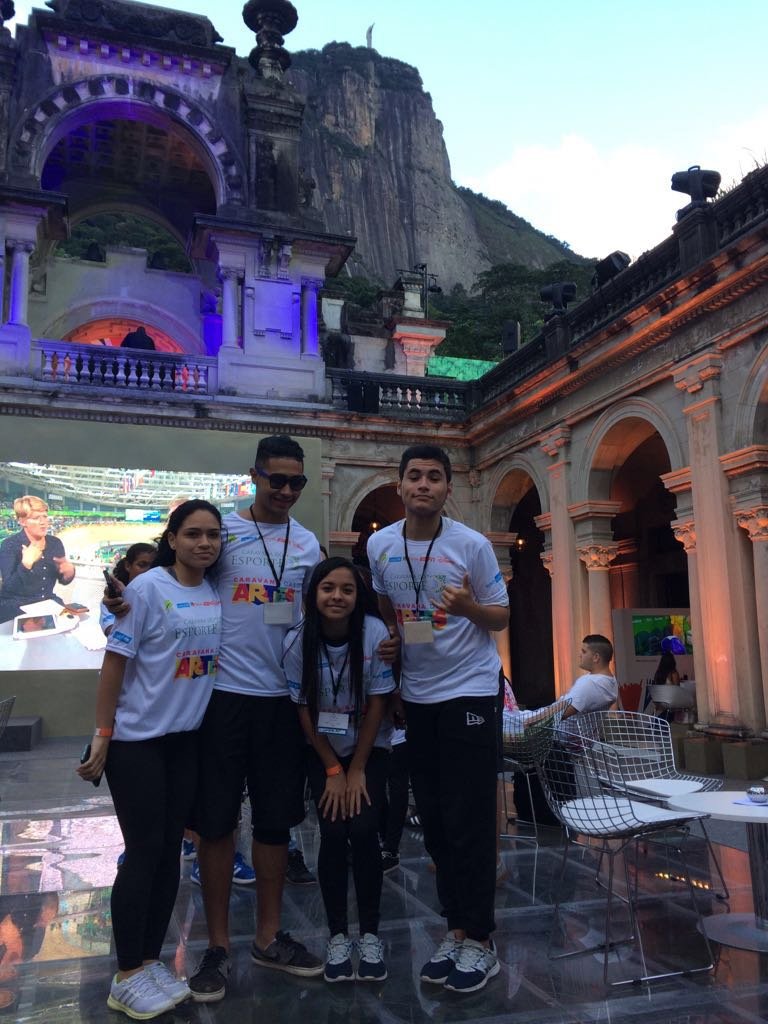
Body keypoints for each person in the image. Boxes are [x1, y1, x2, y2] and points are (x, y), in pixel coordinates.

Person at [367, 444, 509, 994]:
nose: (423, 485)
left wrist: (469, 608)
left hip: (469, 689)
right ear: (399, 485)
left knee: (469, 816)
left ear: (448, 487)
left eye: (433, 477)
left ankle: (482, 940)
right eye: (414, 476)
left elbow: (501, 615)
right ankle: (456, 928)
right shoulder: (380, 544)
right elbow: (387, 607)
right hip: (418, 695)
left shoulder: (471, 545)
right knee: (432, 817)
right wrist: (396, 650)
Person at [188, 435, 324, 1002]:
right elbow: (180, 586)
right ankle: (217, 946)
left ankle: (268, 936)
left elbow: (323, 612)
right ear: (255, 476)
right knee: (217, 824)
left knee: (273, 824)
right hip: (222, 698)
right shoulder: (222, 534)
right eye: (278, 480)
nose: (287, 491)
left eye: (297, 482)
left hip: (281, 702)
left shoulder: (308, 543)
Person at [77, 500, 223, 1021]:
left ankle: (148, 960)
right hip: (137, 742)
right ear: (173, 539)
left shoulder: (212, 590)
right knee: (142, 853)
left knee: (168, 856)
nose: (204, 543)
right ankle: (125, 975)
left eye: (212, 535)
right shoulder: (145, 589)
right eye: (193, 534)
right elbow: (115, 664)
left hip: (184, 743)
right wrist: (103, 734)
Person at [283, 557, 395, 983]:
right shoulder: (297, 640)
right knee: (332, 832)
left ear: (357, 595)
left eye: (347, 589)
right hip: (322, 749)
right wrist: (333, 768)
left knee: (364, 831)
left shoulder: (373, 632)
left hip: (369, 748)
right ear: (313, 593)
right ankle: (337, 936)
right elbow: (303, 709)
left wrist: (357, 768)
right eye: (328, 588)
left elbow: (379, 702)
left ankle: (370, 935)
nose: (337, 596)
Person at [0, 496, 75, 623]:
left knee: (72, 622)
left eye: (45, 516)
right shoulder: (10, 545)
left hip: (47, 602)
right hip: (16, 606)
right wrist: (25, 565)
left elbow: (63, 580)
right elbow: (9, 589)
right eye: (36, 518)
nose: (43, 522)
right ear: (22, 521)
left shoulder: (55, 543)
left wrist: (68, 573)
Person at [100, 543, 156, 637]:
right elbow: (111, 633)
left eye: (154, 567)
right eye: (142, 565)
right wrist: (129, 597)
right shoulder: (113, 598)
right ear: (128, 566)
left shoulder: (161, 595)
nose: (148, 571)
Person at [560, 634, 618, 722]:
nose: (580, 655)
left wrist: (536, 718)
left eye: (584, 652)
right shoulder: (611, 681)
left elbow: (557, 715)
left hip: (554, 729)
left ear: (596, 657)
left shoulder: (590, 683)